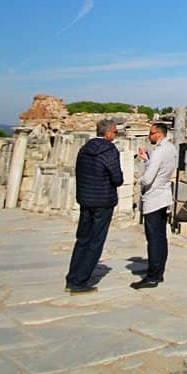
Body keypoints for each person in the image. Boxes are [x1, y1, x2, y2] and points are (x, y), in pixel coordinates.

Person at [64, 118, 124, 294]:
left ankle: (72, 276)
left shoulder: (84, 149)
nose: (116, 134)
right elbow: (117, 178)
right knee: (95, 241)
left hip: (86, 199)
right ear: (107, 133)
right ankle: (80, 281)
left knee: (82, 239)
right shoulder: (109, 150)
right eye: (115, 132)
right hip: (103, 200)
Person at [133, 122, 177, 289]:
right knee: (160, 237)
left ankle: (152, 276)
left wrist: (140, 180)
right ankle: (158, 271)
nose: (148, 136)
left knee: (153, 238)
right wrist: (147, 160)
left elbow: (149, 178)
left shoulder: (159, 151)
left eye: (150, 133)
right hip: (164, 195)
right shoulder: (170, 149)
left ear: (158, 134)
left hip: (154, 198)